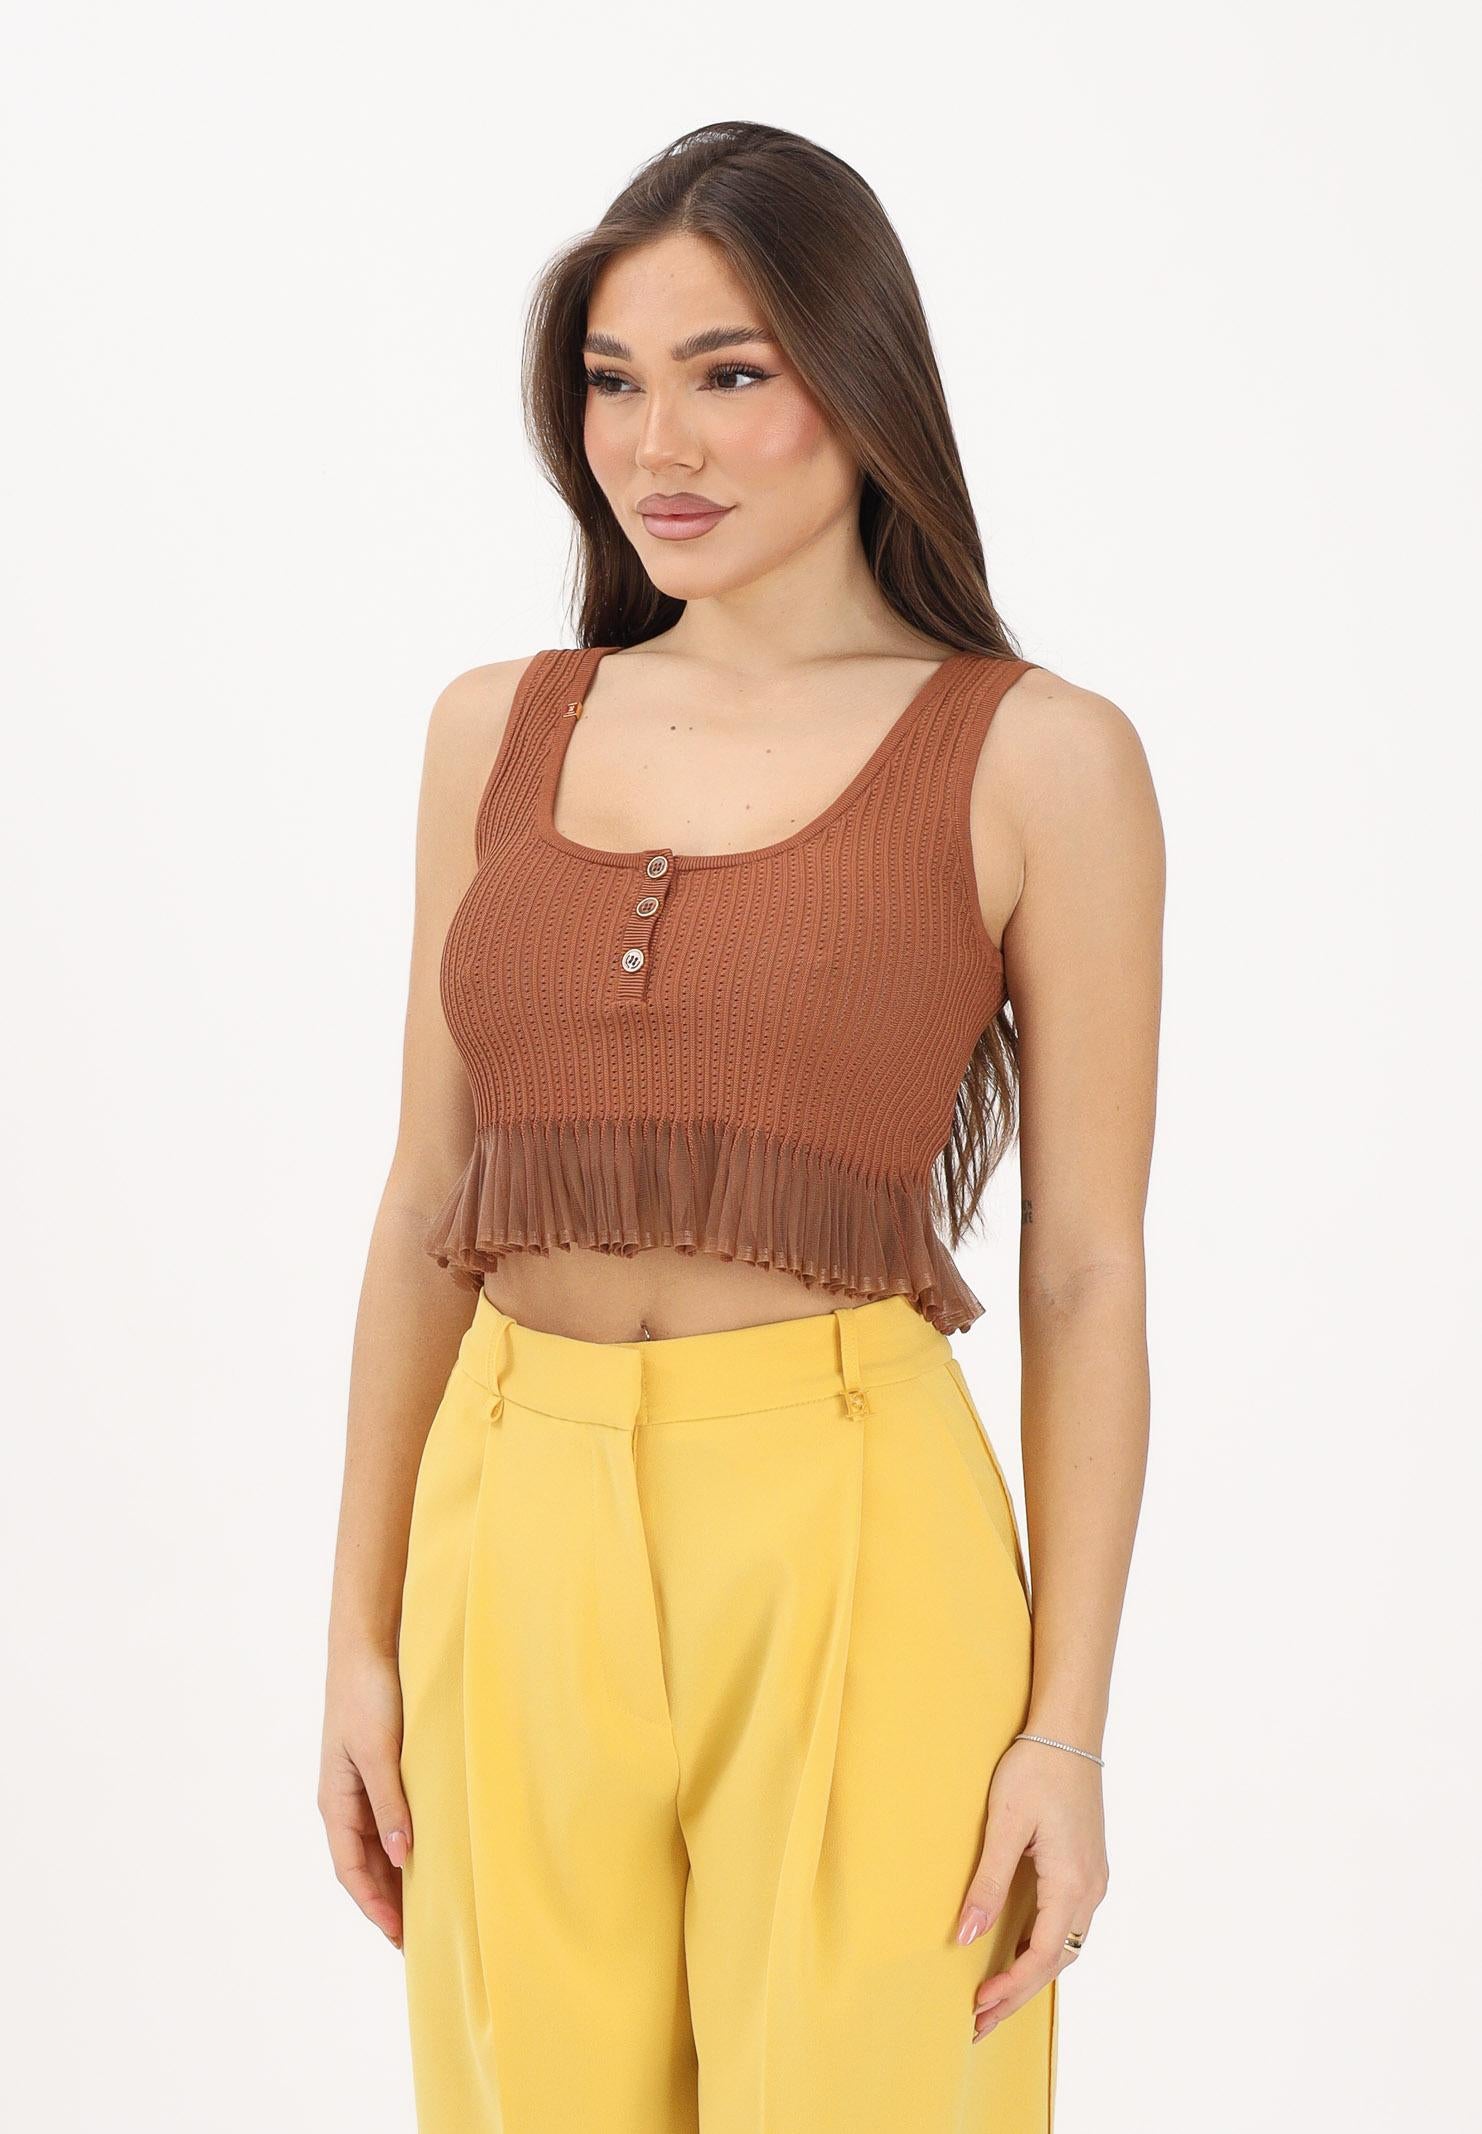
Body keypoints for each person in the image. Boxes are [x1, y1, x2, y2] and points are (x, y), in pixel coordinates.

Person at [319, 119, 1162, 2132]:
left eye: (728, 372)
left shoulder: (1038, 754)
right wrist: (356, 1639)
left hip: (851, 1523)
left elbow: (1084, 1269)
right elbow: (427, 1197)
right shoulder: (493, 727)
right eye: (613, 381)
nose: (657, 444)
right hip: (509, 1515)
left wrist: (1063, 1732)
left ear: (859, 384)